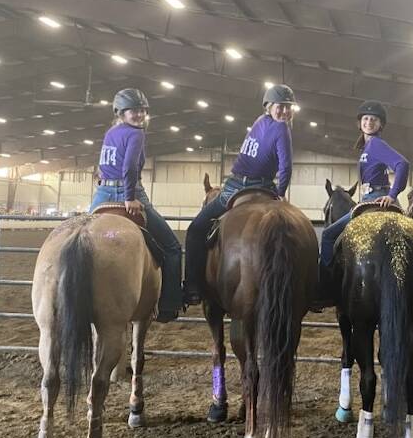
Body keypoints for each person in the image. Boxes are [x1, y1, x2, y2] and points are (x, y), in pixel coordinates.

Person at [316, 101, 413, 311]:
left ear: (380, 125)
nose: (369, 122)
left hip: (375, 198)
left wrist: (391, 195)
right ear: (360, 123)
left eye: (373, 119)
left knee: (328, 235)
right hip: (374, 197)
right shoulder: (367, 147)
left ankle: (325, 290)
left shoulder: (375, 144)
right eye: (365, 119)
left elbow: (402, 164)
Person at [182, 84, 295, 306]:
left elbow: (285, 166)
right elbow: (286, 167)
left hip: (234, 186)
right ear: (269, 107)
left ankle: (193, 286)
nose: (284, 111)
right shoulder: (282, 129)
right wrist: (280, 193)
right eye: (280, 107)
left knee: (196, 230)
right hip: (262, 187)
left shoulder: (260, 122)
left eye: (288, 107)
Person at [89, 88, 183, 323]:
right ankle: (169, 304)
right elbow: (130, 167)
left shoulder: (111, 132)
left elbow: (102, 166)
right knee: (172, 248)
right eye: (134, 110)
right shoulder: (136, 133)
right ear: (122, 112)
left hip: (102, 194)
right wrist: (129, 196)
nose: (139, 115)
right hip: (126, 191)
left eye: (142, 110)